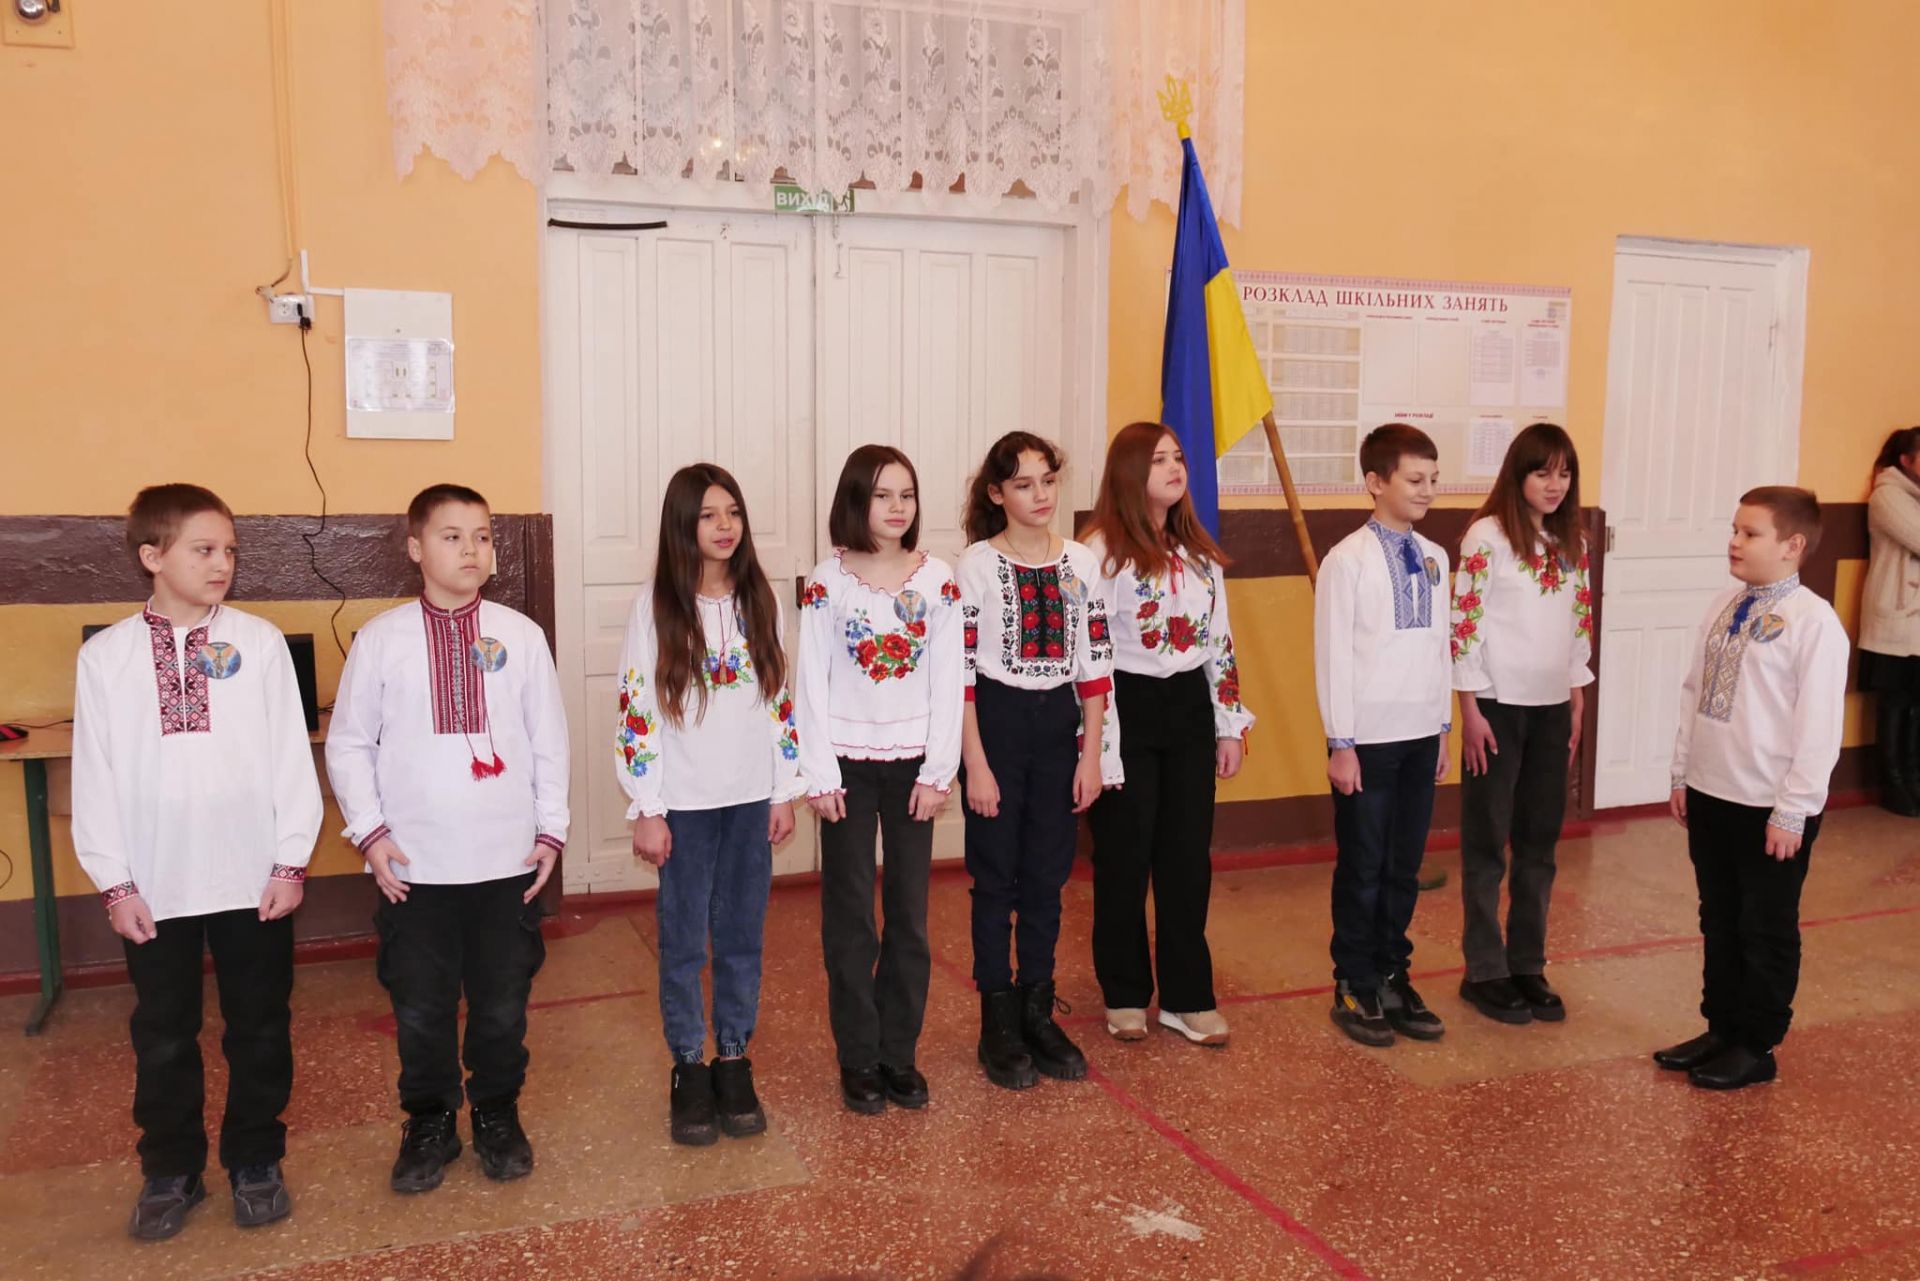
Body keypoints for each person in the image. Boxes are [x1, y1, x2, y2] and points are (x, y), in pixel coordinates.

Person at [71, 483, 323, 1238]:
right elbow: (94, 775)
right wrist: (114, 882)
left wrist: (290, 862)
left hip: (253, 878)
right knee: (163, 1033)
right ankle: (171, 1168)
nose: (222, 564)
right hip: (154, 883)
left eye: (230, 550)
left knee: (260, 1026)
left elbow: (291, 759)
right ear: (152, 556)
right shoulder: (106, 657)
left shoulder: (260, 642)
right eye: (204, 549)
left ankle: (255, 1158)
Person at [326, 483, 570, 1191]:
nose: (472, 549)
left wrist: (551, 829)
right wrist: (370, 833)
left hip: (505, 861)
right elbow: (349, 744)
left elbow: (548, 740)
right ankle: (429, 1118)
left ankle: (497, 1109)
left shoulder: (520, 636)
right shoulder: (381, 640)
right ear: (415, 548)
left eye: (483, 536)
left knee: (502, 1001)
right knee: (421, 1004)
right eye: (452, 535)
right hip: (415, 868)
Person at [619, 464, 804, 1143]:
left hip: (750, 798)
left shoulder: (760, 598)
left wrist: (784, 788)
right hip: (685, 804)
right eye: (708, 515)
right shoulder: (657, 606)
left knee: (742, 936)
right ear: (683, 525)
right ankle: (688, 1066)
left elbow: (779, 696)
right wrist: (647, 805)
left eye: (733, 512)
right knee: (683, 940)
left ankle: (732, 1057)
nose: (725, 526)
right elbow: (637, 706)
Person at [1655, 487, 1849, 1089]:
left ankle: (1756, 1044)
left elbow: (1819, 725)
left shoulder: (1814, 623)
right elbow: (1694, 694)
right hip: (1713, 791)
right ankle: (1721, 1026)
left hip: (1769, 805)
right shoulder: (1723, 606)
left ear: (1792, 546)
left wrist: (1794, 810)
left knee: (1765, 925)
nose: (1734, 542)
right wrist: (1683, 772)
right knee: (1719, 917)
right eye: (1734, 530)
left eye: (1750, 533)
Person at [796, 446, 963, 1115]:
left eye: (907, 495)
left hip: (914, 769)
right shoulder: (827, 581)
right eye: (883, 495)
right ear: (855, 501)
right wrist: (818, 771)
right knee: (851, 919)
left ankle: (899, 1053)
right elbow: (809, 679)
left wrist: (939, 769)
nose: (897, 507)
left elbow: (949, 680)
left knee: (910, 919)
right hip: (846, 769)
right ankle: (859, 1057)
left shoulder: (938, 580)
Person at [1081, 422, 1251, 1047]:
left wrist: (1228, 723)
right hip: (1124, 706)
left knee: (1186, 859)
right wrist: (1096, 745)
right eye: (1158, 460)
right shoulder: (1101, 552)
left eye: (1178, 457)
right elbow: (1089, 652)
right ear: (1130, 472)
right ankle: (1125, 992)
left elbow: (1219, 640)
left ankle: (1188, 997)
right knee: (1124, 858)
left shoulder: (1197, 551)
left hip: (1187, 709)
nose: (1175, 468)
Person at [957, 431, 1118, 1089]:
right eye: (1023, 484)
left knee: (1048, 878)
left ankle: (1037, 1009)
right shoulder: (974, 565)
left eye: (1047, 480)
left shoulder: (1080, 562)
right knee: (996, 877)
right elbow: (961, 674)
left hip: (1058, 726)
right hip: (996, 724)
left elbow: (1096, 662)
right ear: (997, 494)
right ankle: (996, 1018)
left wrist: (1091, 755)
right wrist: (976, 762)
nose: (1040, 494)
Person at [1313, 424, 1452, 1048]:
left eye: (1433, 479)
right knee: (1363, 866)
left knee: (1403, 867)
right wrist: (1340, 741)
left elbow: (1440, 647)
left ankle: (1394, 975)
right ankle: (1354, 981)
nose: (1427, 490)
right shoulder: (1347, 560)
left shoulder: (1436, 556)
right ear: (1375, 482)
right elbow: (1333, 656)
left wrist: (1442, 727)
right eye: (1414, 479)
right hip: (1366, 741)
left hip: (1421, 734)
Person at [1450, 423, 1593, 1024]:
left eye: (1564, 473)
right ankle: (1485, 970)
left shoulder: (1572, 540)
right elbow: (1465, 625)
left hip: (1552, 706)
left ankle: (1528, 963)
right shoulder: (1486, 536)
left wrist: (1576, 693)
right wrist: (1470, 709)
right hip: (1496, 707)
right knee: (1488, 842)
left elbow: (1579, 619)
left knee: (1539, 841)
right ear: (1518, 474)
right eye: (1542, 472)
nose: (1554, 485)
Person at [1858, 426, 1920, 816]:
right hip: (1895, 620)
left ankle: (1914, 778)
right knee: (1895, 701)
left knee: (1917, 704)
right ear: (1906, 460)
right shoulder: (1888, 496)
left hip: (1916, 625)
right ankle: (1893, 783)